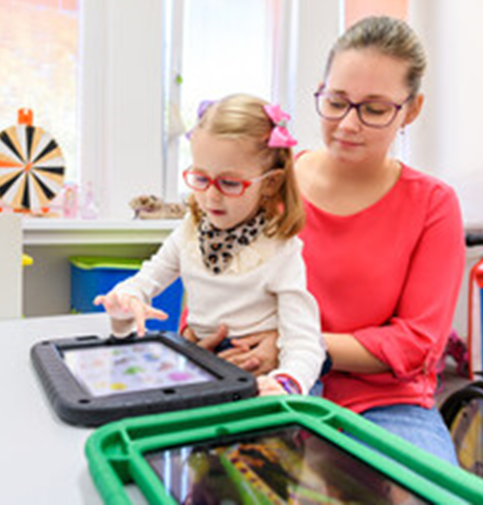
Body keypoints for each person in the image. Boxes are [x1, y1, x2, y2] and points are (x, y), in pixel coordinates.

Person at [184, 16, 465, 464]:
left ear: (411, 109)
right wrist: (202, 338)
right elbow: (209, 288)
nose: (348, 125)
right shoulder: (270, 183)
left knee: (427, 489)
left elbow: (417, 342)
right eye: (336, 102)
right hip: (264, 385)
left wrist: (298, 344)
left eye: (374, 109)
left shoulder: (433, 204)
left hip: (383, 405)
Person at [94, 94, 325, 397]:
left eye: (230, 184)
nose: (211, 197)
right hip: (204, 363)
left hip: (267, 375)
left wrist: (287, 381)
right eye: (201, 178)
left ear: (270, 183)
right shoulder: (188, 233)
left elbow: (305, 341)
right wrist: (126, 300)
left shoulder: (281, 249)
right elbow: (146, 279)